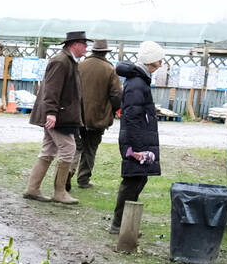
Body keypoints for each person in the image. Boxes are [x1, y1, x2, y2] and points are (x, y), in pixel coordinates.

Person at [23, 30, 87, 205]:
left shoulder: (68, 61)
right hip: (59, 116)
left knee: (49, 150)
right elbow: (51, 89)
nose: (86, 47)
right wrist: (51, 112)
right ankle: (60, 192)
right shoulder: (61, 61)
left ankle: (32, 188)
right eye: (84, 44)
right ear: (74, 45)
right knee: (68, 149)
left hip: (60, 114)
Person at [109, 41, 163, 235]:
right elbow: (131, 117)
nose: (161, 64)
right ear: (152, 62)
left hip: (137, 138)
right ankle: (119, 223)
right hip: (135, 141)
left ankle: (123, 221)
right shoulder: (137, 83)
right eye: (159, 60)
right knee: (132, 181)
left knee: (138, 180)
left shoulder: (139, 81)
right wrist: (137, 149)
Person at [74, 37, 122, 190]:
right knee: (90, 148)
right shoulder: (109, 69)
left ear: (93, 51)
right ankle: (83, 179)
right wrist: (112, 111)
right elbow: (116, 95)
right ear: (105, 53)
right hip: (97, 117)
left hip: (77, 115)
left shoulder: (80, 65)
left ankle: (66, 175)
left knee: (75, 147)